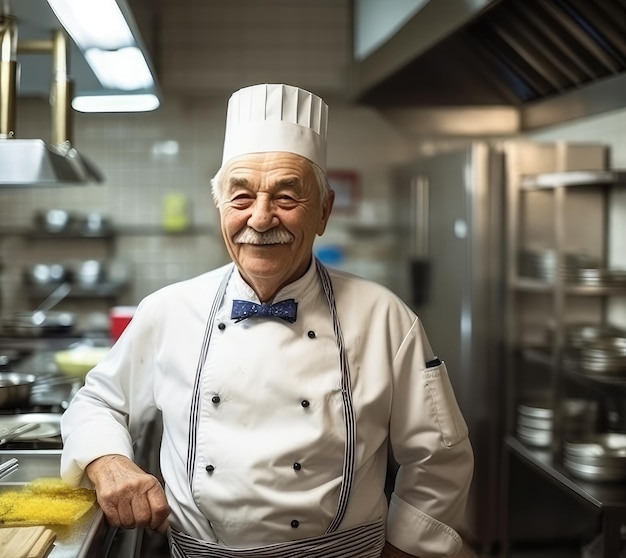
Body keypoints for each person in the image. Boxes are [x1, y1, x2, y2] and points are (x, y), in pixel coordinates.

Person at [61, 83, 474, 558]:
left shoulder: (386, 318)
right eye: (240, 198)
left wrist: (405, 550)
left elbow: (439, 457)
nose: (260, 219)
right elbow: (96, 401)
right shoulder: (169, 310)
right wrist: (108, 460)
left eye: (286, 197)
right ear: (219, 207)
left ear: (324, 210)